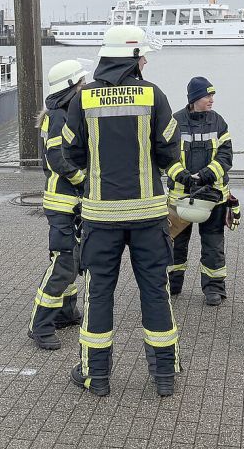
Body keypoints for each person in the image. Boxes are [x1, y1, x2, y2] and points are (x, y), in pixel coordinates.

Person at [63, 25, 188, 397]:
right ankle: (164, 375)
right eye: (142, 55)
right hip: (149, 215)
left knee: (99, 293)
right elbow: (169, 151)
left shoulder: (83, 98)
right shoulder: (153, 95)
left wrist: (96, 176)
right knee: (155, 290)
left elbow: (70, 152)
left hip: (101, 217)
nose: (146, 60)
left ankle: (95, 376)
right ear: (132, 59)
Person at [27, 60, 88, 350]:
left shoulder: (64, 113)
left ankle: (66, 312)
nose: (86, 87)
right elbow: (57, 159)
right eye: (82, 83)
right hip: (62, 201)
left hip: (70, 203)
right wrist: (83, 180)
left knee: (72, 260)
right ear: (71, 87)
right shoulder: (59, 117)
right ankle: (39, 325)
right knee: (63, 263)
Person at [165, 76, 239, 306]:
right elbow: (166, 156)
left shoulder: (219, 122)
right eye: (207, 95)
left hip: (212, 197)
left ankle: (214, 289)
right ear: (194, 98)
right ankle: (172, 285)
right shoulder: (174, 122)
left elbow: (226, 155)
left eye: (212, 95)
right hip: (181, 198)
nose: (211, 100)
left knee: (213, 246)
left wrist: (207, 174)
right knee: (175, 244)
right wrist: (184, 177)